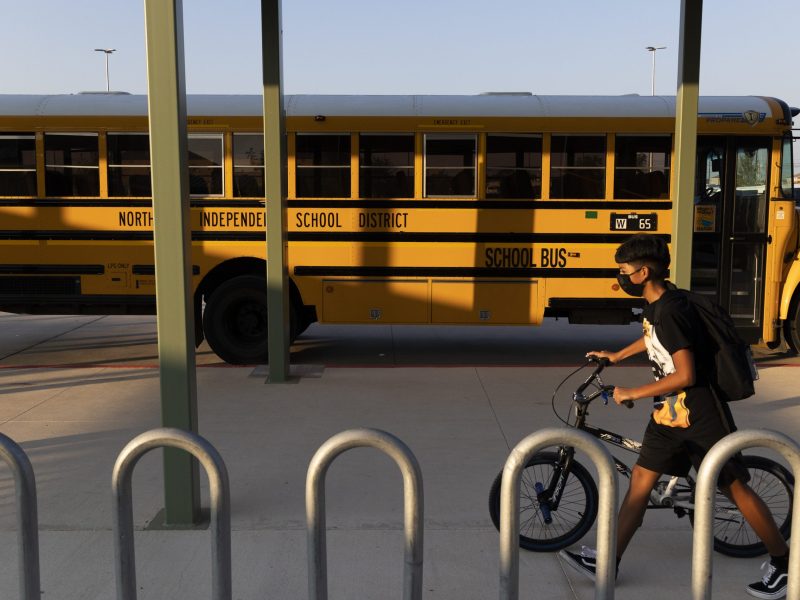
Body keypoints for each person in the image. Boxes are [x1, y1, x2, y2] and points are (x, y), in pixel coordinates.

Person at [559, 234, 790, 599]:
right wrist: (618, 356)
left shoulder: (670, 310)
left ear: (643, 272)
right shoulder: (659, 303)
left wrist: (631, 392)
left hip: (699, 414)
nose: (620, 277)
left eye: (624, 271)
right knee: (639, 482)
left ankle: (784, 564)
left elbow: (686, 374)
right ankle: (608, 560)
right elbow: (654, 338)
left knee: (732, 487)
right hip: (668, 413)